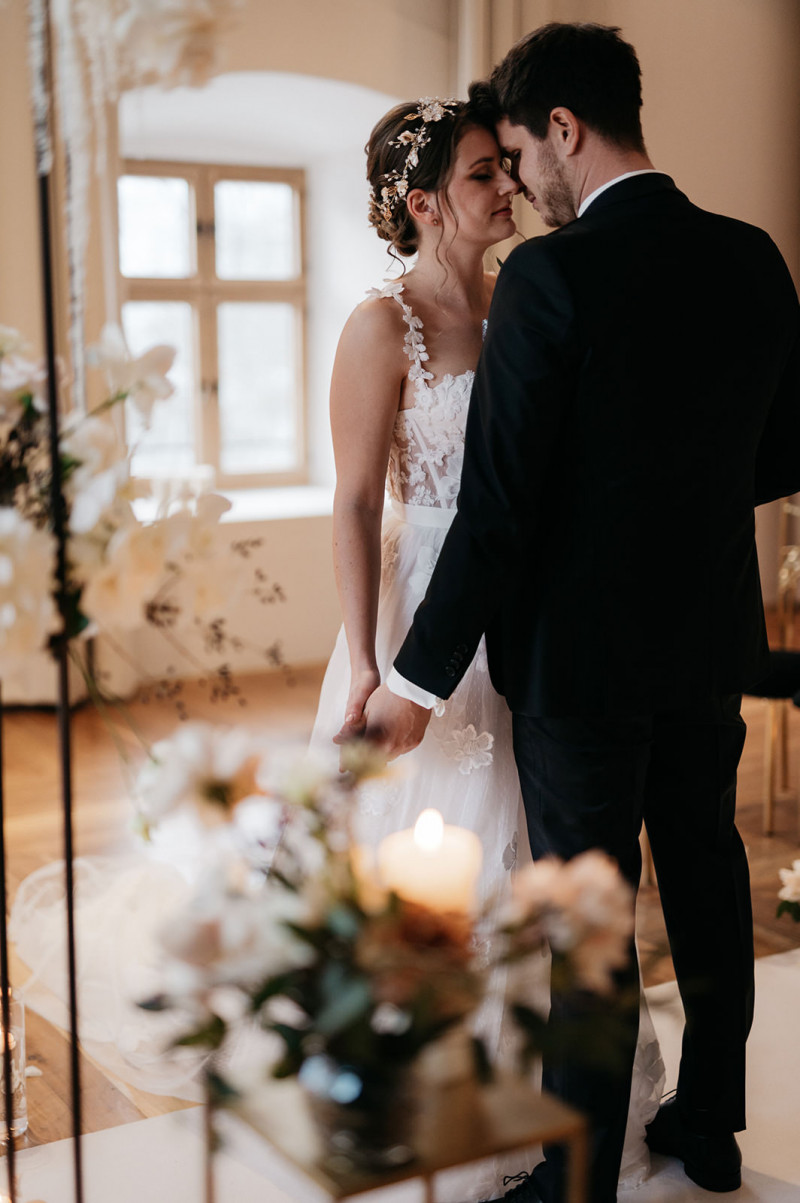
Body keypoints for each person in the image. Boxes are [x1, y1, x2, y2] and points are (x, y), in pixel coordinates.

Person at [361, 22, 800, 1203]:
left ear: (563, 129)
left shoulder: (554, 278)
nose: (518, 184)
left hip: (580, 670)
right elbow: (781, 449)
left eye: (517, 152)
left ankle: (577, 1183)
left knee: (588, 928)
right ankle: (708, 1129)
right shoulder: (752, 257)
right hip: (710, 640)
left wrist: (410, 683)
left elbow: (501, 510)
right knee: (708, 890)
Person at [310, 90, 665, 1201]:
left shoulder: (528, 299)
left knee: (536, 846)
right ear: (421, 204)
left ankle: (549, 1104)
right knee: (434, 860)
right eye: (479, 174)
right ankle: (435, 1103)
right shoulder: (382, 328)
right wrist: (370, 662)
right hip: (422, 611)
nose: (504, 185)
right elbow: (355, 500)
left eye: (500, 168)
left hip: (529, 615)